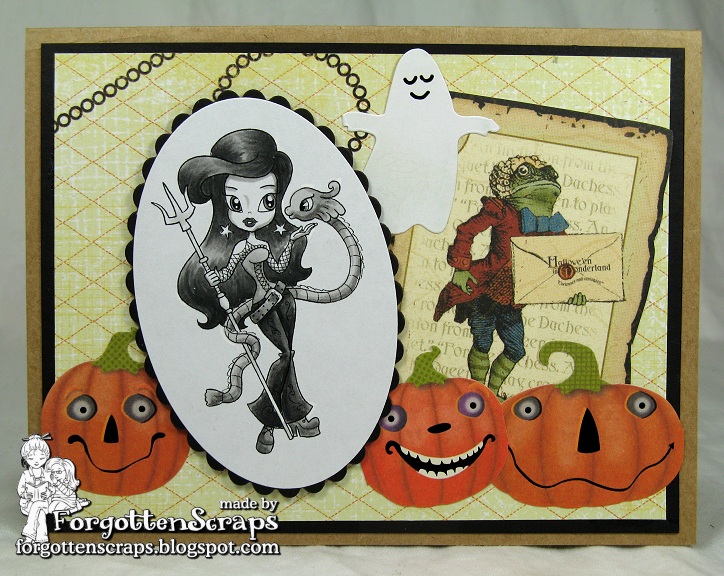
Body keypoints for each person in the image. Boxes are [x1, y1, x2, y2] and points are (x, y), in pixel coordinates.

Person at [177, 129, 320, 454]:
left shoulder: (264, 244)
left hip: (282, 302)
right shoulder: (240, 248)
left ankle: (291, 419)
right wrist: (214, 278)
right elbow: (228, 272)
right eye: (236, 203)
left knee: (288, 355)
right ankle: (271, 425)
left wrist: (298, 238)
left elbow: (278, 263)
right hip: (262, 308)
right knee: (285, 356)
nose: (252, 214)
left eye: (267, 200)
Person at [18, 434, 52, 543]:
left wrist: (48, 493)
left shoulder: (47, 474)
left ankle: (29, 535)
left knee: (38, 507)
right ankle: (42, 539)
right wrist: (24, 494)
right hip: (29, 503)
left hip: (45, 503)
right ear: (26, 458)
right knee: (40, 515)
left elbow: (53, 488)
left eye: (41, 458)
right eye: (31, 458)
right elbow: (20, 489)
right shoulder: (26, 474)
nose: (36, 461)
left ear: (46, 457)